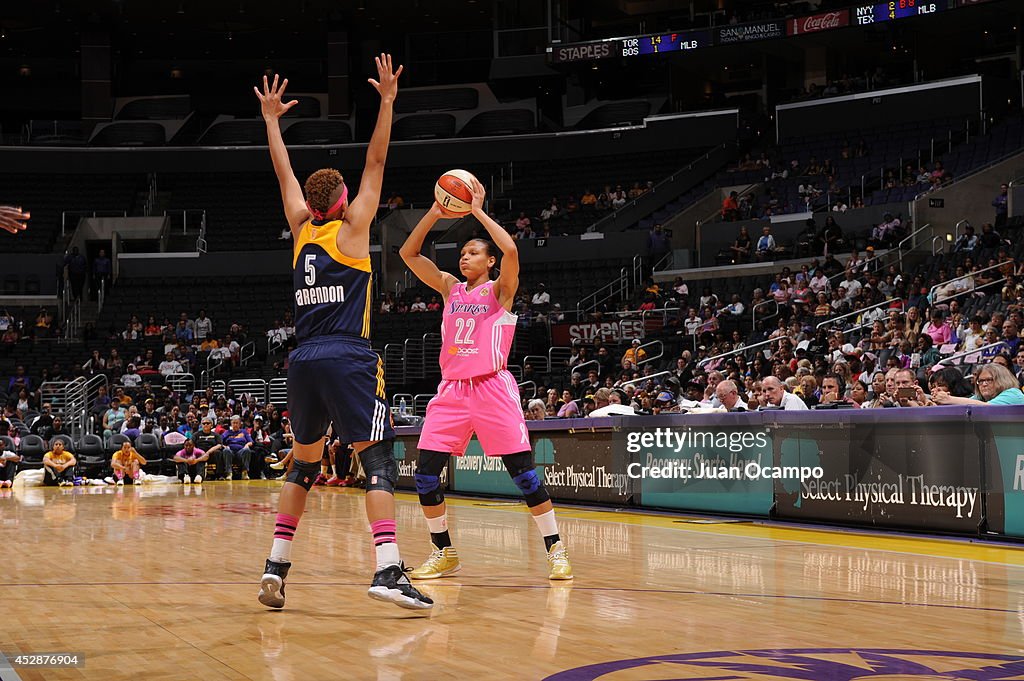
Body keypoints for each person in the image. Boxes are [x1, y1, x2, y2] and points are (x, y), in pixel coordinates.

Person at [254, 59, 431, 611]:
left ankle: (276, 568)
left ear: (311, 206)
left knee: (304, 462)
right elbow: (377, 159)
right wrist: (387, 101)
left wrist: (271, 123)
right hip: (349, 355)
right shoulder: (353, 231)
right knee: (377, 461)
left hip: (302, 359)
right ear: (344, 201)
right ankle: (388, 569)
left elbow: (284, 176)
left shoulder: (301, 231)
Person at [399, 176, 573, 582]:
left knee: (525, 475)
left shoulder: (501, 291)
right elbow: (408, 253)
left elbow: (511, 248)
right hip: (452, 391)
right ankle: (443, 552)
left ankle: (556, 550)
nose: (464, 257)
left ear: (489, 262)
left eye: (473, 252)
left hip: (492, 387)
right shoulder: (449, 288)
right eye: (461, 252)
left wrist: (476, 209)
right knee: (424, 474)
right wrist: (436, 213)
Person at [932, 363, 1024, 406]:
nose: (983, 384)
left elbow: (987, 408)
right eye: (980, 381)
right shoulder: (980, 398)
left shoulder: (1013, 393)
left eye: (989, 380)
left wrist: (949, 399)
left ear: (1002, 380)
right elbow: (962, 405)